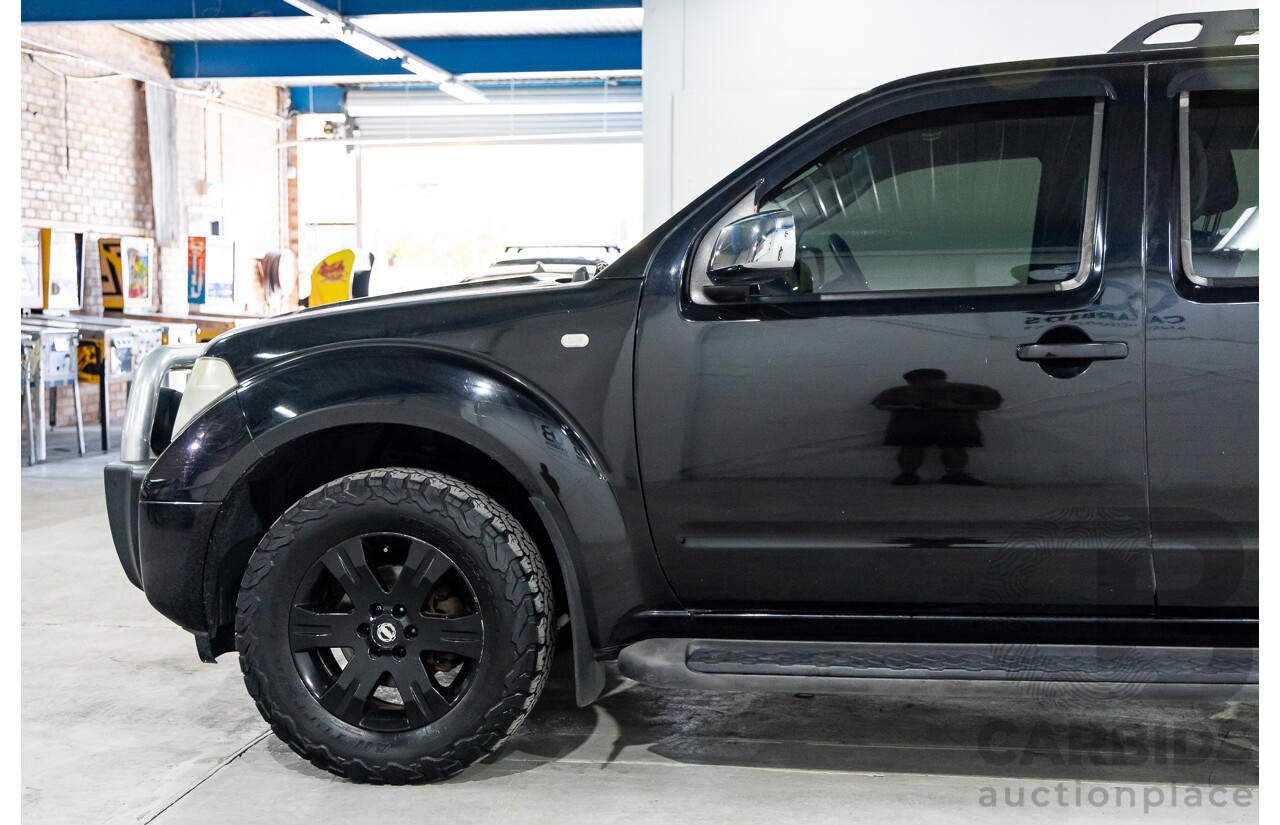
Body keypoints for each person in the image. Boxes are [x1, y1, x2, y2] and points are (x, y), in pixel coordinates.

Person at [871, 368, 1003, 486]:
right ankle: (908, 475)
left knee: (954, 450)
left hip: (954, 426)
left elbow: (994, 404)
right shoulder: (902, 391)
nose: (917, 386)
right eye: (913, 384)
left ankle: (955, 475)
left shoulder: (968, 390)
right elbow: (879, 404)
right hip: (912, 426)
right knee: (910, 450)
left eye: (922, 383)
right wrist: (906, 407)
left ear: (939, 380)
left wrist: (956, 407)